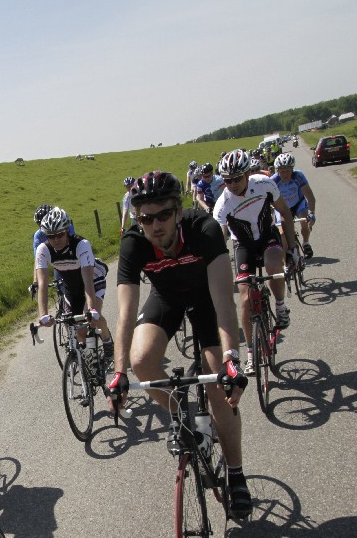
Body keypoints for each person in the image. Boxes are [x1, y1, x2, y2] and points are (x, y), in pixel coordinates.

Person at [105, 172, 253, 517]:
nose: (155, 225)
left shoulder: (203, 229)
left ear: (178, 210)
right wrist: (118, 373)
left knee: (218, 384)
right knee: (141, 361)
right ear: (137, 218)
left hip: (206, 299)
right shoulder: (133, 243)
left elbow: (223, 300)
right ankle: (182, 416)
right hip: (166, 298)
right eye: (146, 218)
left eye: (164, 215)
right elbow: (125, 313)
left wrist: (232, 359)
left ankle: (236, 474)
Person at [213, 149, 299, 373]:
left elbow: (285, 212)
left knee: (273, 265)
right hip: (243, 245)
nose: (232, 184)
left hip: (268, 236)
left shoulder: (264, 184)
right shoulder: (223, 204)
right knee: (245, 297)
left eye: (236, 178)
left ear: (247, 175)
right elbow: (219, 240)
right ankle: (251, 353)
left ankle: (280, 306)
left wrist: (292, 248)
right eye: (227, 180)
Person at [33, 207, 114, 363]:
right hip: (71, 286)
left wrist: (91, 309)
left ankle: (107, 341)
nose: (56, 239)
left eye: (60, 234)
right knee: (79, 330)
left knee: (93, 317)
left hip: (93, 279)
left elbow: (88, 280)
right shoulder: (43, 250)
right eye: (51, 236)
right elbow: (42, 284)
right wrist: (43, 314)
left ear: (67, 231)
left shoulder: (81, 245)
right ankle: (87, 362)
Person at [271, 152, 317, 258]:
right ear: (277, 171)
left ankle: (306, 243)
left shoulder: (298, 176)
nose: (285, 174)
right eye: (282, 171)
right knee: (282, 232)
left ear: (292, 169)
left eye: (288, 170)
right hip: (282, 207)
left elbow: (310, 196)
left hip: (298, 203)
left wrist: (312, 213)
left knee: (304, 221)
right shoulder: (273, 181)